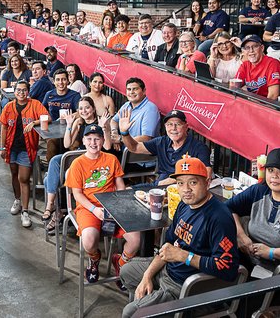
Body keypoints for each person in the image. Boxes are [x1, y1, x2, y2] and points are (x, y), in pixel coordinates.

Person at [120, 155, 239, 318]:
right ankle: (152, 303)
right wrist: (147, 276)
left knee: (131, 313)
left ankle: (152, 308)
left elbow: (228, 268)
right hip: (169, 270)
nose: (186, 189)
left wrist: (185, 256)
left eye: (193, 182)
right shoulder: (184, 204)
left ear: (207, 182)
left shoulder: (219, 218)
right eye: (180, 183)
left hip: (188, 286)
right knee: (127, 271)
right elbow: (168, 246)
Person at [64, 125, 140, 285]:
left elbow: (120, 184)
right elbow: (77, 194)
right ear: (83, 141)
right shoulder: (77, 164)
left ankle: (121, 264)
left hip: (113, 205)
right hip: (88, 207)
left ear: (103, 140)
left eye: (97, 139)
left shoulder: (111, 159)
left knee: (135, 239)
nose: (93, 142)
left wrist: (120, 203)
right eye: (89, 139)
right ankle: (94, 259)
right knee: (89, 242)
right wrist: (94, 209)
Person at [43, 98, 112, 232]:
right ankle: (54, 207)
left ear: (93, 108)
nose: (84, 111)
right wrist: (70, 124)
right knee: (51, 172)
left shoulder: (100, 122)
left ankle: (55, 209)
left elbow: (108, 146)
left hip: (94, 162)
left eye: (87, 107)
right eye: (81, 108)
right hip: (78, 158)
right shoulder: (79, 122)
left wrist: (106, 128)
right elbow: (67, 144)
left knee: (50, 177)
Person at [0, 80, 49, 229]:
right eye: (19, 90)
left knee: (24, 178)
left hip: (26, 149)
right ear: (14, 92)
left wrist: (34, 123)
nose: (21, 93)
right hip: (11, 147)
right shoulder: (8, 107)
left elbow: (47, 118)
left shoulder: (35, 104)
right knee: (14, 175)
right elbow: (3, 127)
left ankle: (25, 211)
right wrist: (2, 147)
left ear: (28, 92)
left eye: (24, 90)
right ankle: (17, 200)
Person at [119, 110, 211, 186]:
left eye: (178, 124)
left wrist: (175, 180)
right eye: (169, 124)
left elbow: (207, 173)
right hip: (159, 186)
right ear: (165, 127)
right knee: (127, 192)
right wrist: (124, 133)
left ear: (186, 127)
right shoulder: (161, 142)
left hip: (185, 189)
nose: (173, 128)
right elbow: (134, 147)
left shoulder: (199, 147)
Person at [111, 78, 161, 153]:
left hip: (140, 159)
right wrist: (114, 133)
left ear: (144, 91)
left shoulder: (150, 109)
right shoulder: (126, 105)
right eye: (129, 89)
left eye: (135, 89)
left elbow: (146, 138)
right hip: (124, 150)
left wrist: (120, 139)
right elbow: (114, 120)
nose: (131, 92)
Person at [43, 69, 81, 160]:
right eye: (58, 80)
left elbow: (80, 112)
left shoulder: (75, 95)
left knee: (74, 146)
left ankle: (73, 171)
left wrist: (70, 117)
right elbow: (42, 110)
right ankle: (51, 170)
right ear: (54, 82)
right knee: (51, 144)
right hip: (53, 130)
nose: (61, 82)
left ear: (68, 81)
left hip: (71, 129)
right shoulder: (49, 94)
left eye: (63, 79)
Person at [235, 35, 280, 100]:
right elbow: (234, 86)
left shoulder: (272, 64)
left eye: (255, 46)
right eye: (247, 48)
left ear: (262, 48)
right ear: (243, 51)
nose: (251, 50)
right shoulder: (245, 65)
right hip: (254, 103)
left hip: (272, 106)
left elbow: (273, 96)